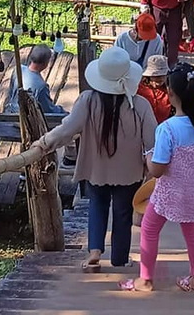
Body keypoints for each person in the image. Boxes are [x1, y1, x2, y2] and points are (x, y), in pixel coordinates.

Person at [33, 47, 157, 271]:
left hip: (95, 169)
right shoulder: (139, 105)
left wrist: (44, 143)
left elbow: (67, 129)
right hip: (128, 172)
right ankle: (120, 258)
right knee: (122, 213)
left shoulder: (88, 100)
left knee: (97, 206)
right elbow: (152, 141)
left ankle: (94, 252)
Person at [133, 62, 194, 293]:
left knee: (149, 228)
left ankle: (145, 280)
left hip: (172, 192)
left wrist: (148, 156)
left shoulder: (168, 128)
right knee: (192, 231)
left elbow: (157, 171)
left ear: (170, 92)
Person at [6, 44, 67, 115]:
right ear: (45, 63)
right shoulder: (41, 86)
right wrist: (62, 111)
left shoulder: (18, 69)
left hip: (11, 112)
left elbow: (11, 93)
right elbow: (48, 110)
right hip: (27, 118)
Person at [137, 54, 171, 124]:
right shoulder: (139, 89)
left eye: (163, 75)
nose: (161, 78)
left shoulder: (170, 90)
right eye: (157, 76)